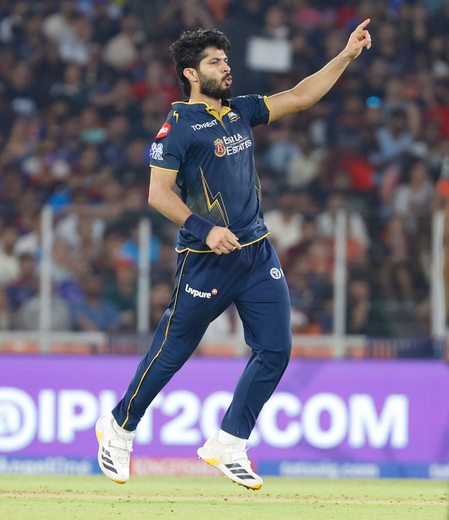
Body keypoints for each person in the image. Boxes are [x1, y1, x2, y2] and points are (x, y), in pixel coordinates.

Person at [95, 23, 371, 490]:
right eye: (214, 62)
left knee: (276, 349)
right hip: (206, 259)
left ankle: (229, 442)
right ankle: (119, 427)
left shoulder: (239, 110)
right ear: (191, 73)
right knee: (173, 350)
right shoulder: (178, 126)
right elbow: (158, 194)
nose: (226, 67)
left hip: (256, 253)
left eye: (225, 60)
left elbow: (300, 96)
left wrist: (345, 55)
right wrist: (205, 230)